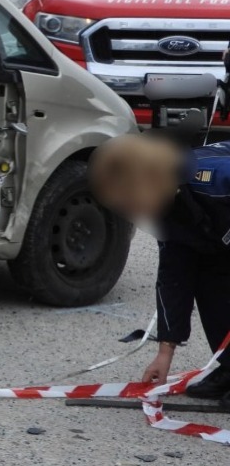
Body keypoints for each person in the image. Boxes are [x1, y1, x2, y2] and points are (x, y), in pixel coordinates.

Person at [89, 134, 230, 398]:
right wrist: (165, 351)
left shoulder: (218, 181)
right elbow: (174, 278)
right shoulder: (166, 208)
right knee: (209, 282)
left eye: (128, 204)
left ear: (147, 182)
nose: (131, 213)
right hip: (218, 242)